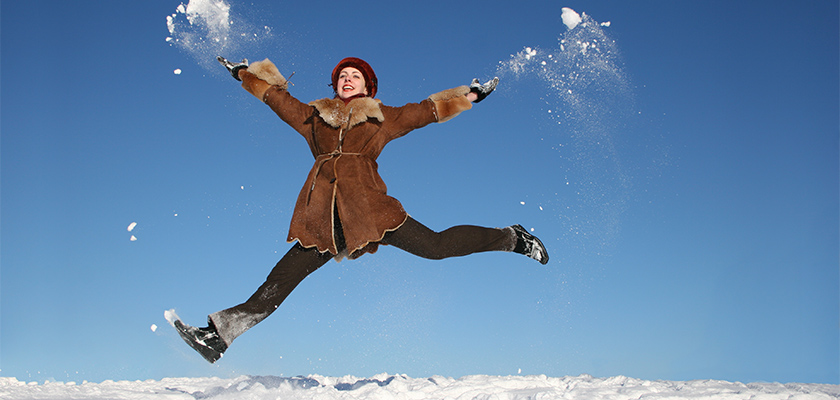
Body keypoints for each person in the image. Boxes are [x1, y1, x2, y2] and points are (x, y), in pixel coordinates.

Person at [172, 56, 549, 363]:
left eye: (355, 76)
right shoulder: (313, 118)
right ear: (334, 85)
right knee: (280, 279)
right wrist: (245, 74)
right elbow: (276, 99)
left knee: (435, 247)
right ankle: (218, 336)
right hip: (323, 218)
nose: (347, 79)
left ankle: (512, 238)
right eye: (342, 76)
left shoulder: (382, 117)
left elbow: (427, 111)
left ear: (369, 86)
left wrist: (468, 96)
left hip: (371, 211)